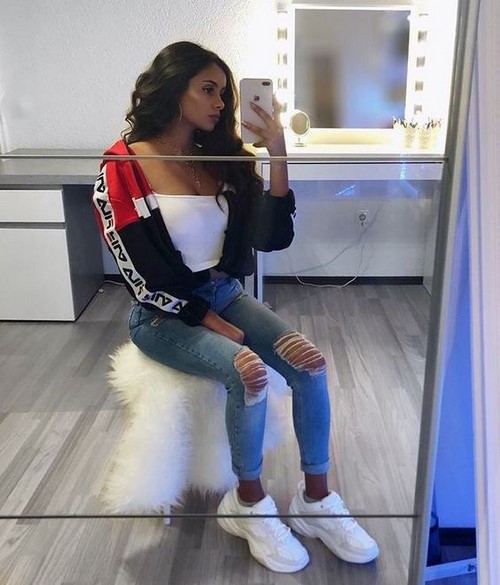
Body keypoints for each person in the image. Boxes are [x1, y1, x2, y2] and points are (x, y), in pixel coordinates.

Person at [92, 40, 379, 573]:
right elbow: (138, 275)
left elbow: (271, 238)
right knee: (248, 371)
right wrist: (207, 320)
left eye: (223, 92)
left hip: (223, 293)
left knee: (311, 364)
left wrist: (276, 152)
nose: (221, 103)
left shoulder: (221, 158)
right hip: (162, 314)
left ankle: (316, 498)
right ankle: (247, 503)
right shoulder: (122, 166)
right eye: (208, 90)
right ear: (173, 90)